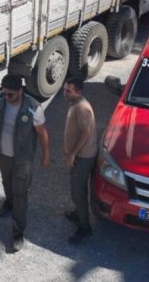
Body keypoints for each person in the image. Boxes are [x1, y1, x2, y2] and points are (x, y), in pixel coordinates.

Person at [0, 74, 50, 252]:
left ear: (20, 91)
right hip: (3, 154)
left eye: (10, 94)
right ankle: (9, 203)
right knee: (7, 182)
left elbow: (42, 134)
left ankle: (18, 232)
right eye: (4, 93)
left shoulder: (33, 107)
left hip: (23, 158)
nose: (6, 97)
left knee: (20, 192)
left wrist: (46, 155)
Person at [62, 77, 98, 244]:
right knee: (77, 189)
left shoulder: (81, 108)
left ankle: (85, 228)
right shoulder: (75, 104)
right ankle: (78, 213)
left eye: (68, 91)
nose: (65, 93)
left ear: (78, 91)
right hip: (79, 156)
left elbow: (86, 133)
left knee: (78, 192)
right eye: (64, 90)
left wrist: (72, 154)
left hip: (83, 157)